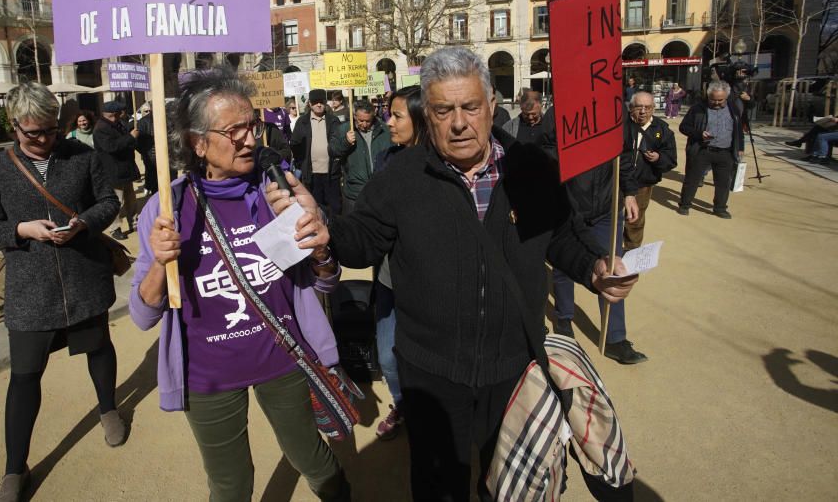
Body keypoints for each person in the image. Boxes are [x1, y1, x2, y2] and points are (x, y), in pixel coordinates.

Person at [282, 48, 637, 501]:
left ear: (491, 105)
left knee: (509, 487)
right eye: (443, 110)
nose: (458, 122)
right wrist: (325, 227)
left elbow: (561, 236)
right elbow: (362, 238)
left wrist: (594, 267)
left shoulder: (531, 168)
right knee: (439, 490)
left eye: (470, 107)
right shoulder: (401, 177)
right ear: (428, 114)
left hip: (513, 368)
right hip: (432, 376)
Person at [129, 68, 350, 502]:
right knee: (230, 485)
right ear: (198, 142)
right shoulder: (167, 208)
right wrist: (160, 261)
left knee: (314, 459)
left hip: (282, 357)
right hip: (208, 375)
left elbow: (324, 284)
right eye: (235, 131)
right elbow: (143, 314)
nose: (251, 139)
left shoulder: (277, 189)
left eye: (253, 125)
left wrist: (322, 248)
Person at [0, 82, 125, 502]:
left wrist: (82, 224)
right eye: (32, 133)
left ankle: (108, 408)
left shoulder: (82, 155)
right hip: (30, 290)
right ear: (14, 125)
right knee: (24, 378)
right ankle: (13, 468)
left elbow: (107, 203)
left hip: (84, 277)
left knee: (99, 347)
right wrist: (22, 229)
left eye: (50, 131)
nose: (42, 140)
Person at [541, 114, 647, 364]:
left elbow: (624, 159)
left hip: (606, 208)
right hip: (570, 203)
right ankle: (564, 319)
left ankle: (615, 338)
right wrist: (573, 152)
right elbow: (544, 152)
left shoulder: (614, 111)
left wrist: (630, 193)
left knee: (612, 267)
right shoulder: (557, 113)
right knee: (564, 266)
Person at [370, 85, 428, 441]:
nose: (388, 122)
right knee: (388, 357)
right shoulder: (386, 160)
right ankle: (402, 405)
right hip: (389, 280)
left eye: (397, 115)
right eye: (388, 114)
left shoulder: (444, 165)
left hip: (427, 284)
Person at [677, 80, 744, 219]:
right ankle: (685, 205)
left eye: (721, 100)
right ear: (708, 96)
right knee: (692, 179)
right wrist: (699, 133)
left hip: (725, 152)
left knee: (723, 183)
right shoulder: (698, 108)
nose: (717, 103)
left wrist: (740, 147)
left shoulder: (733, 108)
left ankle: (719, 208)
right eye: (713, 99)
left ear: (727, 96)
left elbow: (739, 129)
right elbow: (683, 127)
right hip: (702, 150)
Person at [623, 91, 678, 250]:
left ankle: (631, 251)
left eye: (647, 107)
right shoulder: (622, 124)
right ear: (631, 107)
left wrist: (658, 158)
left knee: (634, 219)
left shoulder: (662, 129)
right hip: (617, 181)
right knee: (611, 218)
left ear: (653, 108)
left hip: (642, 183)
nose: (643, 111)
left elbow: (671, 159)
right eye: (638, 107)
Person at [329, 100, 392, 214]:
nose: (364, 124)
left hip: (379, 190)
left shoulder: (384, 129)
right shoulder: (344, 129)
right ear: (354, 116)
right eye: (361, 120)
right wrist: (345, 142)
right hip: (355, 192)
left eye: (368, 121)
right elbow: (333, 151)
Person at [290, 88, 343, 217]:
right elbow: (295, 145)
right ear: (310, 104)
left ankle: (335, 233)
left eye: (321, 102)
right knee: (315, 207)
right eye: (315, 102)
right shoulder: (302, 122)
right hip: (311, 174)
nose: (318, 105)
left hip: (331, 173)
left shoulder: (333, 121)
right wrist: (301, 164)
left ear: (325, 102)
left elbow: (340, 143)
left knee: (335, 208)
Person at [94, 100, 140, 239]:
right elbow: (111, 147)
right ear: (112, 114)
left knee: (131, 199)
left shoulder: (118, 124)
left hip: (125, 169)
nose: (119, 116)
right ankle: (115, 228)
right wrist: (130, 137)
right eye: (117, 114)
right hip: (113, 170)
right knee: (117, 202)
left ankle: (134, 222)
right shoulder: (101, 128)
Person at [136, 102, 157, 197]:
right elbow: (138, 142)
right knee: (153, 178)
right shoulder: (143, 122)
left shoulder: (169, 120)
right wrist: (145, 152)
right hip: (150, 157)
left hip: (168, 157)